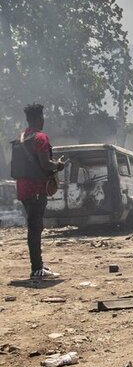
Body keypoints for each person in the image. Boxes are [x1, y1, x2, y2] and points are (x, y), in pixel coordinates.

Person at [11, 104, 63, 278]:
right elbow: (46, 164)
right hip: (36, 189)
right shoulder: (40, 138)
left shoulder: (22, 137)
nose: (43, 120)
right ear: (39, 118)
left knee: (34, 227)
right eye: (42, 117)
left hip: (23, 189)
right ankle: (37, 269)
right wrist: (58, 165)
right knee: (35, 228)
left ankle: (38, 266)